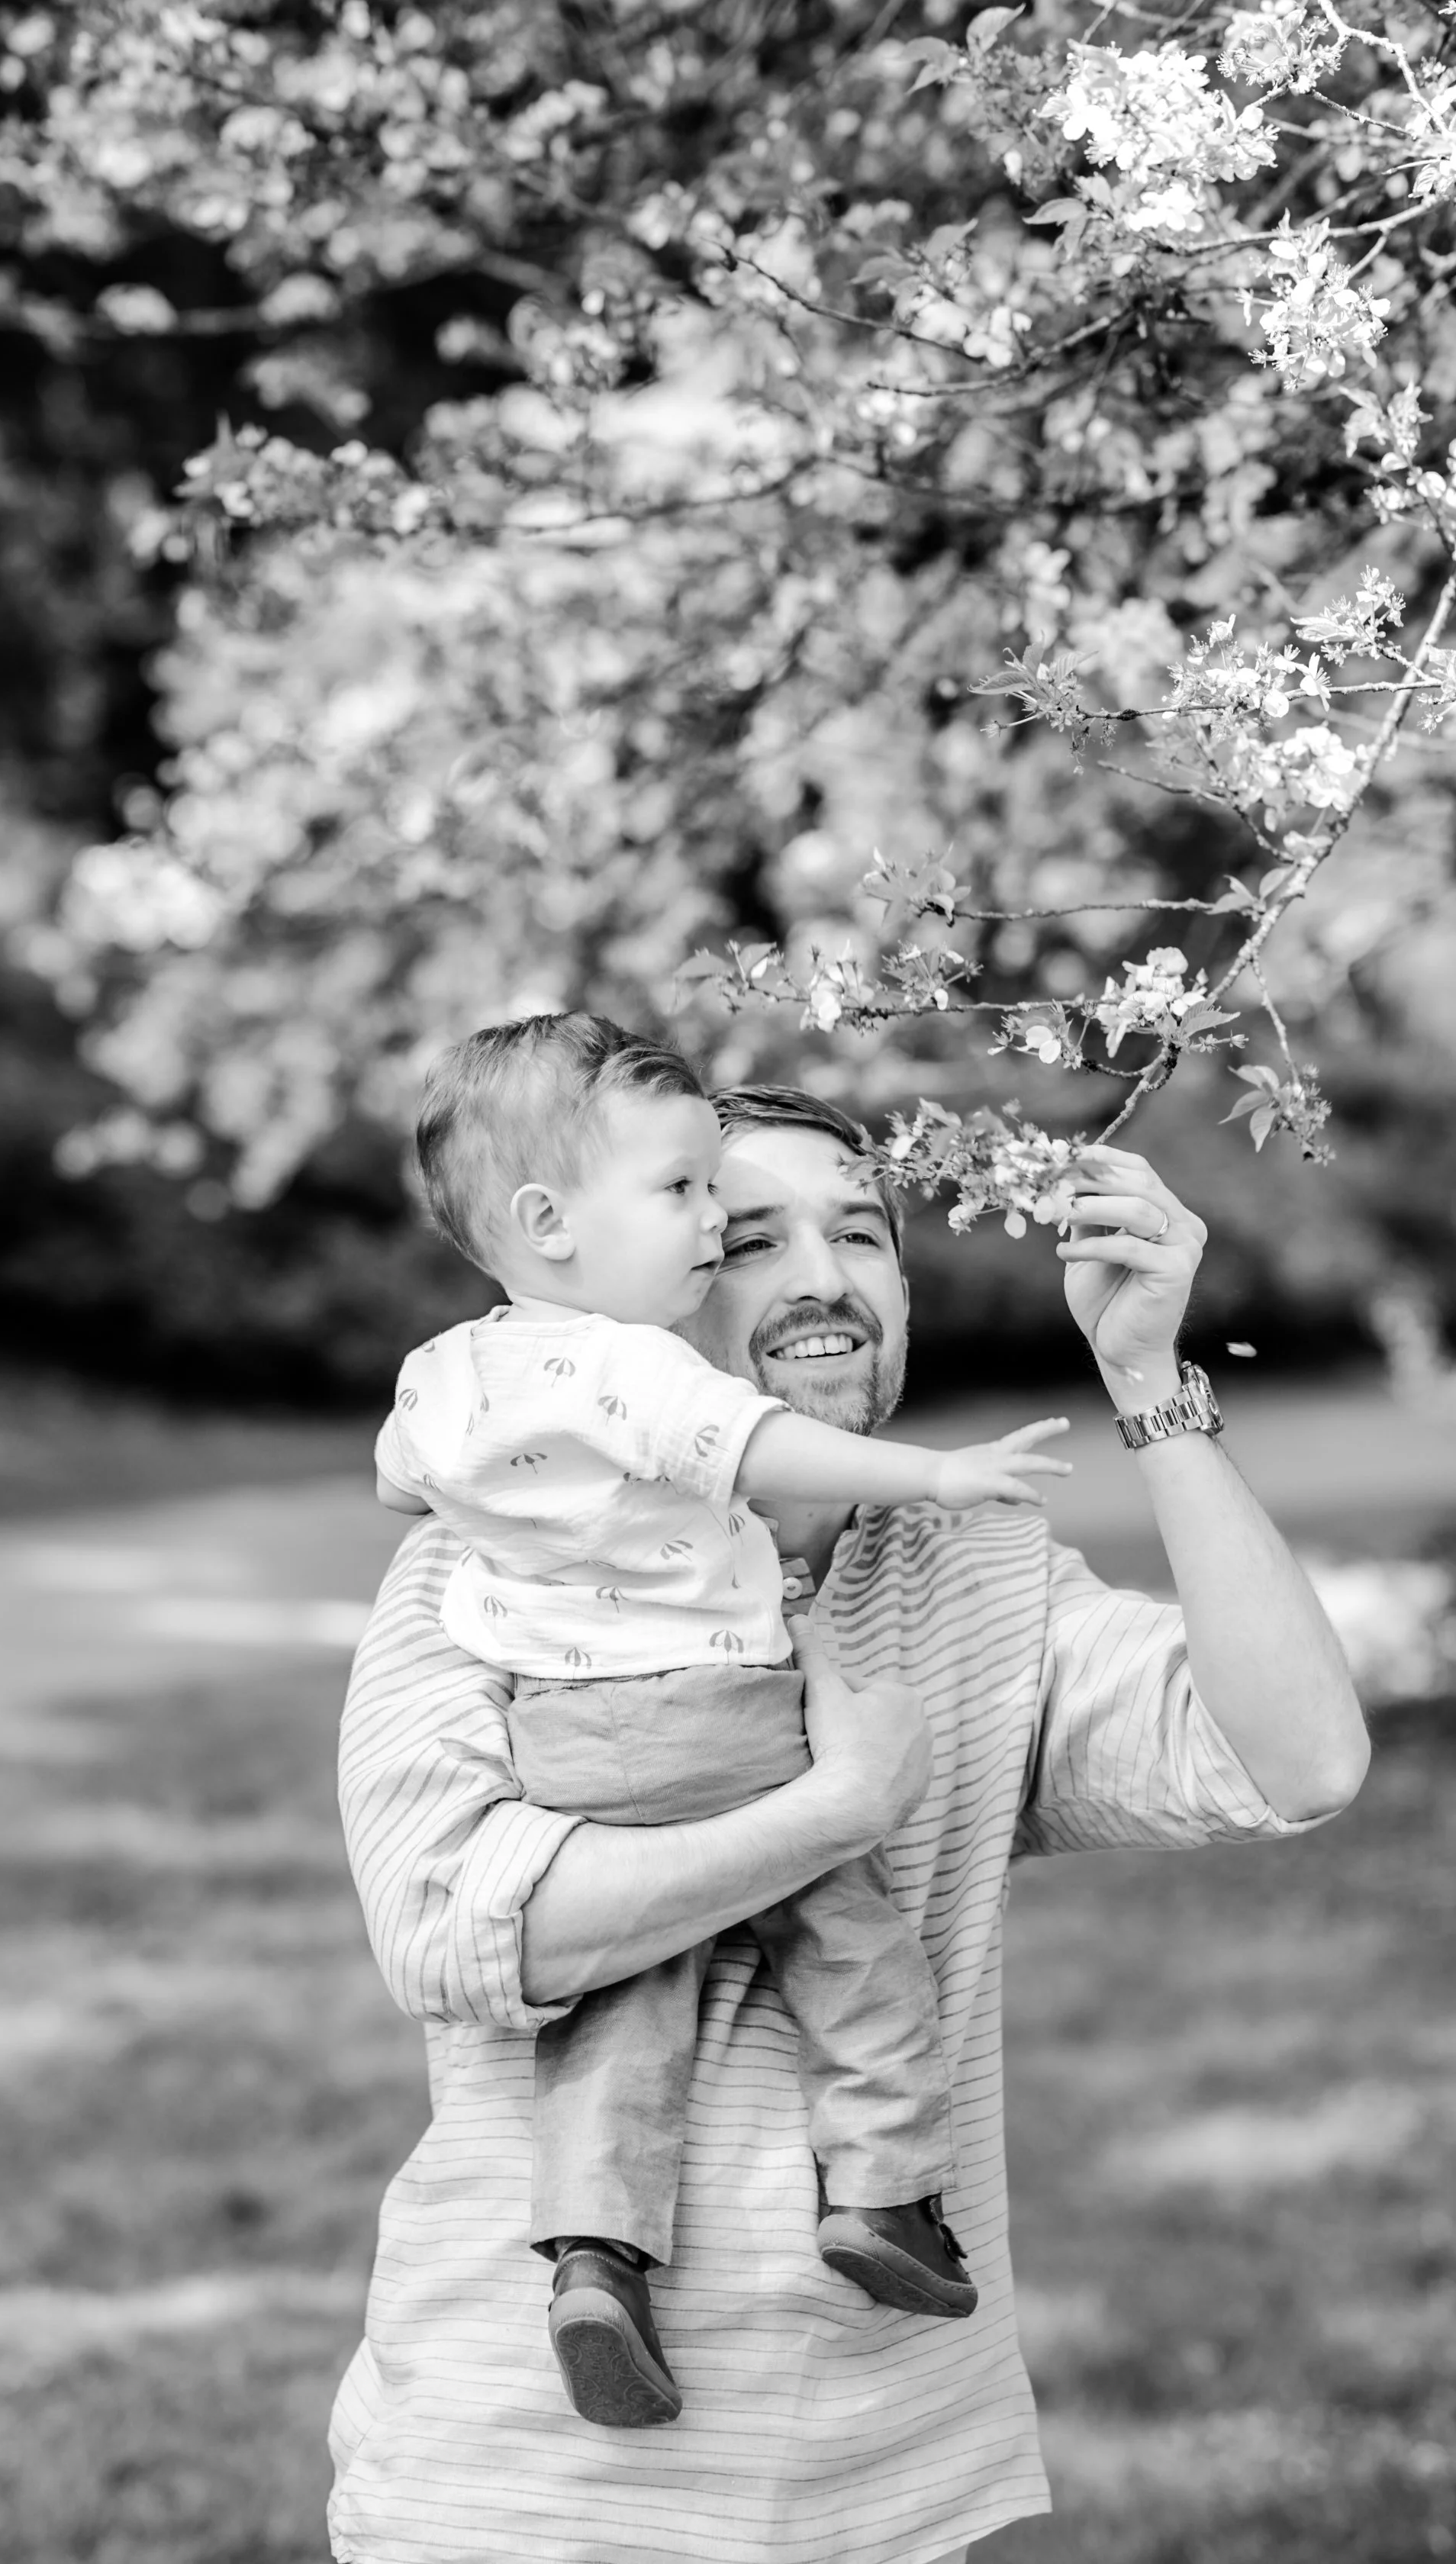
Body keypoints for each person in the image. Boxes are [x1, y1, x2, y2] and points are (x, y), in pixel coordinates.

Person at [330, 1081, 1367, 2564]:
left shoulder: (972, 1574)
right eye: (745, 1235)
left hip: (883, 2485)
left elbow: (1299, 1759)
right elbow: (453, 1931)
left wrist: (1152, 1384)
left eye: (860, 1234)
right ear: (628, 1292)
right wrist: (836, 1810)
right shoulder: (486, 1575)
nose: (821, 1278)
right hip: (533, 2488)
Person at [373, 1015, 1071, 2428]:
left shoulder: (449, 1373)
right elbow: (760, 1448)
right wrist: (936, 1475)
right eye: (696, 1203)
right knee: (854, 1946)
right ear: (551, 1222)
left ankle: (594, 2260)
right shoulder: (636, 1368)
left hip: (567, 1745)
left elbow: (405, 1480)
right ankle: (883, 2193)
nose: (703, 1228)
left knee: (626, 2010)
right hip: (721, 1714)